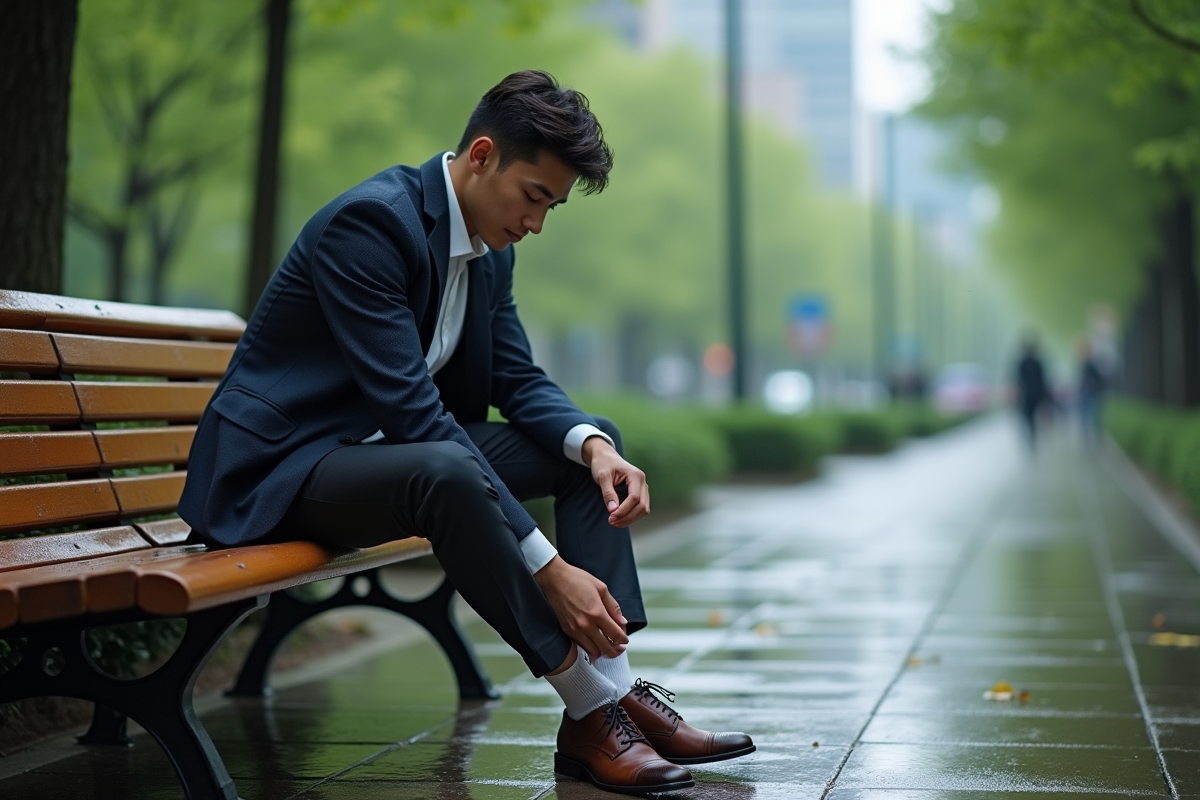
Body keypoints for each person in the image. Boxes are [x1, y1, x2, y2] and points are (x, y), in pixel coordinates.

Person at [179, 70, 753, 795]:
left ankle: (614, 696)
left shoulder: (490, 248)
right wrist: (550, 569)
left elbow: (515, 378)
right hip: (283, 470)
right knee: (443, 471)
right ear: (482, 156)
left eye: (553, 207)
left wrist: (597, 447)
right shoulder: (372, 224)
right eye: (534, 197)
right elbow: (417, 417)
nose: (537, 222)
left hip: (384, 458)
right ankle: (592, 705)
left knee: (584, 449)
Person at [1014, 335, 1049, 450]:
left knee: (1028, 417)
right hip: (1036, 395)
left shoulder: (1022, 363)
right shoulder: (1037, 362)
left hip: (1027, 395)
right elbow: (1042, 380)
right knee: (1033, 417)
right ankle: (1032, 435)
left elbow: (1018, 380)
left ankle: (1031, 435)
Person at [1076, 337, 1107, 447]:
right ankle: (1089, 440)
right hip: (1086, 395)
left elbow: (1099, 380)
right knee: (1087, 418)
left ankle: (1095, 439)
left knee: (1093, 418)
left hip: (1091, 395)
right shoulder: (1082, 364)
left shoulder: (1092, 365)